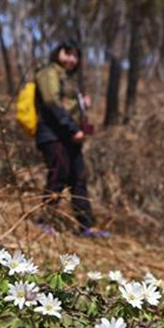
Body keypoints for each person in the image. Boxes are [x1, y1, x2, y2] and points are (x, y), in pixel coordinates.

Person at [34, 39, 109, 238]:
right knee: (59, 174)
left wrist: (81, 104)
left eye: (75, 55)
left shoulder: (68, 78)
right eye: (67, 53)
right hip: (52, 133)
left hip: (69, 135)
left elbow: (66, 103)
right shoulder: (48, 72)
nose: (71, 59)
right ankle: (43, 221)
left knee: (78, 178)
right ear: (58, 52)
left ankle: (86, 226)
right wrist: (73, 128)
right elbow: (51, 102)